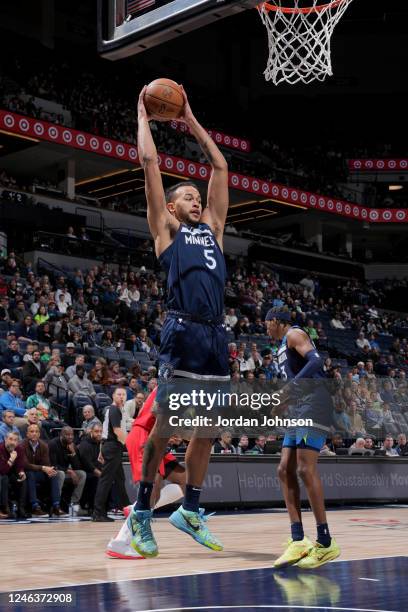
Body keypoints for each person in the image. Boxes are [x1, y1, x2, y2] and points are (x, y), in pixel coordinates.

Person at [129, 85, 229, 558]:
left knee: (207, 430)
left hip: (215, 336)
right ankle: (142, 515)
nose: (195, 199)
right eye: (186, 195)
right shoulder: (166, 232)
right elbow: (150, 166)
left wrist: (189, 118)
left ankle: (189, 509)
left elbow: (221, 168)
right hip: (182, 330)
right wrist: (144, 118)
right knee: (167, 429)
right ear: (171, 208)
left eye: (197, 195)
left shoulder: (213, 231)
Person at [265, 307, 339, 569]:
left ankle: (326, 542)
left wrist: (289, 389)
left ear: (276, 321)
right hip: (298, 407)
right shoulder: (279, 350)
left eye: (267, 323)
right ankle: (298, 538)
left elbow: (317, 362)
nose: (265, 329)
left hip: (314, 402)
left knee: (305, 469)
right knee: (284, 469)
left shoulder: (294, 334)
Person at [106, 387, 186, 559]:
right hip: (145, 437)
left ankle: (135, 508)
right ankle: (121, 542)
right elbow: (160, 415)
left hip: (154, 437)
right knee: (152, 491)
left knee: (185, 479)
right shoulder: (174, 382)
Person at [92, 388, 130, 522]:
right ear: (113, 396)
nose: (121, 396)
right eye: (119, 394)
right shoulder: (114, 409)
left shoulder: (117, 410)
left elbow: (105, 431)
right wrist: (130, 445)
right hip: (113, 447)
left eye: (124, 394)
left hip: (112, 447)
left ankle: (127, 509)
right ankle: (98, 513)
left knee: (120, 480)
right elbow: (117, 430)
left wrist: (101, 450)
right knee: (105, 480)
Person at [21, 423, 65, 517]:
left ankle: (56, 506)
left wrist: (48, 470)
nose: (34, 434)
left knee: (54, 474)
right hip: (25, 473)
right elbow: (25, 465)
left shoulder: (44, 445)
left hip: (38, 473)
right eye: (32, 431)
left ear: (39, 434)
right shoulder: (22, 445)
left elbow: (46, 464)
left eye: (36, 432)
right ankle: (35, 507)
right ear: (27, 434)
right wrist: (42, 468)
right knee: (30, 473)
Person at [48, 427, 87, 516]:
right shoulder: (53, 444)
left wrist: (73, 453)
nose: (70, 437)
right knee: (60, 474)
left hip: (66, 472)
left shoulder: (72, 445)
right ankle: (56, 505)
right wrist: (69, 471)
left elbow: (77, 466)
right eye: (67, 435)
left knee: (82, 474)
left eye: (72, 435)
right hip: (54, 472)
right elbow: (53, 465)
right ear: (61, 435)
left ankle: (74, 503)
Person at [77, 422, 104, 515]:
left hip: (93, 470)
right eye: (96, 431)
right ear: (91, 432)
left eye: (101, 431)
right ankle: (90, 506)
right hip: (84, 471)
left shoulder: (99, 443)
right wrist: (99, 473)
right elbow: (87, 463)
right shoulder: (85, 444)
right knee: (96, 479)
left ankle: (108, 506)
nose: (99, 434)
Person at [0, 431, 27, 518]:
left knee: (22, 479)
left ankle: (21, 508)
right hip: (1, 474)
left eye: (15, 440)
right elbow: (2, 470)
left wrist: (21, 472)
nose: (13, 442)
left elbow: (20, 466)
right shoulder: (0, 448)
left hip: (10, 473)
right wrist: (11, 459)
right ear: (5, 439)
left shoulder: (19, 449)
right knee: (4, 478)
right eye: (10, 439)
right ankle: (5, 508)